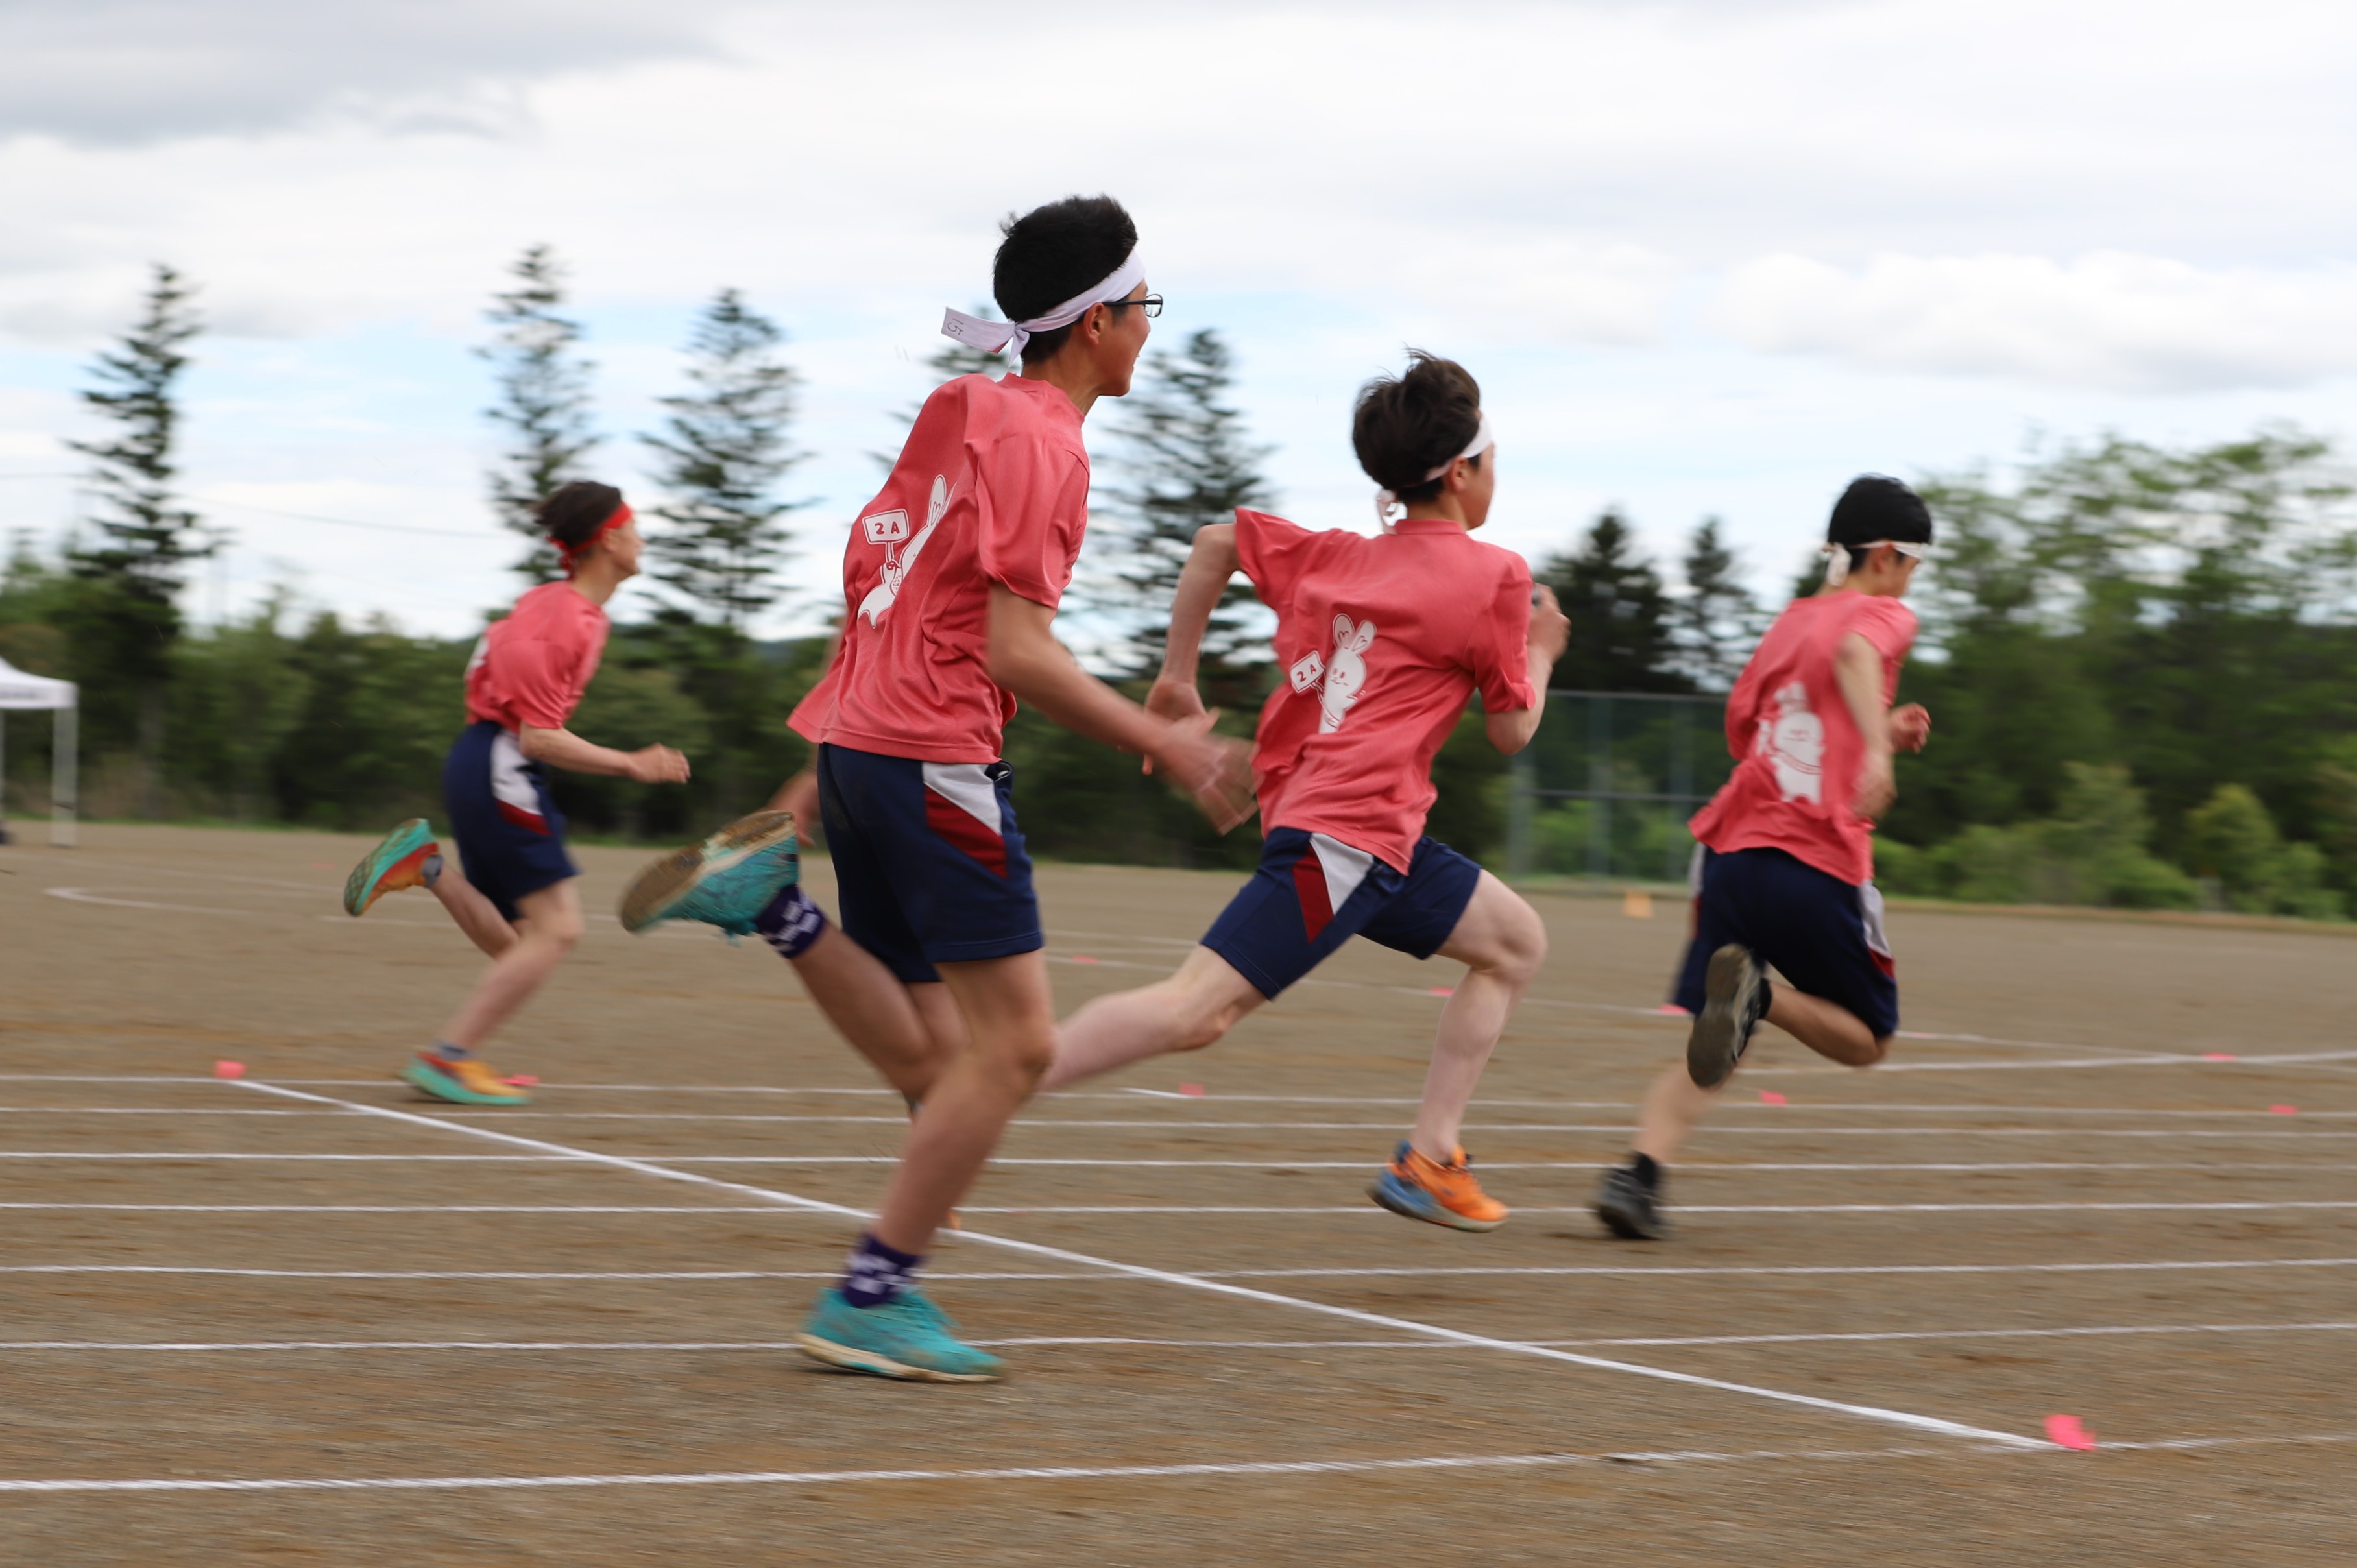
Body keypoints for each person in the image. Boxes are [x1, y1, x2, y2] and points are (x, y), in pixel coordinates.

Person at [631, 195, 1252, 1381]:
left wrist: (814, 775)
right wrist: (1166, 742)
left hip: (869, 746)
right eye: (1141, 307)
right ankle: (871, 1294)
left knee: (934, 1055)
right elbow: (1015, 651)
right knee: (1012, 1052)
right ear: (1094, 325)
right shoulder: (1045, 444)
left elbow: (875, 580)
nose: (1148, 330)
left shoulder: (964, 407)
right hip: (932, 758)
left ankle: (773, 904)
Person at [1042, 352, 1569, 1233]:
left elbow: (1215, 545)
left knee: (1514, 942)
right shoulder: (1497, 577)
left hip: (1367, 838)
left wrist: (1178, 678)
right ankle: (988, 1080)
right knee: (1194, 1014)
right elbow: (1514, 731)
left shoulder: (1330, 556)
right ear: (1464, 470)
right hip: (1347, 840)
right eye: (1493, 463)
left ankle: (1431, 1159)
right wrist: (1544, 646)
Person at [1593, 475, 1933, 1240]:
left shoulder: (1788, 620)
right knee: (1867, 1038)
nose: (1913, 580)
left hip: (1731, 855)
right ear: (1885, 554)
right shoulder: (1883, 613)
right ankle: (1763, 999)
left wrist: (1874, 726)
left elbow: (1746, 724)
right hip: (1814, 858)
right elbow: (1853, 652)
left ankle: (1637, 1174)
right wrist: (1875, 750)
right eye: (1913, 562)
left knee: (1721, 1028)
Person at [340, 482, 697, 1107]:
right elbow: (539, 738)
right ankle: (448, 1058)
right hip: (502, 763)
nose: (642, 540)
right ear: (609, 540)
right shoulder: (567, 619)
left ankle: (423, 865)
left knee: (518, 943)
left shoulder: (549, 604)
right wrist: (632, 764)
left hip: (482, 758)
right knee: (557, 932)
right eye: (635, 528)